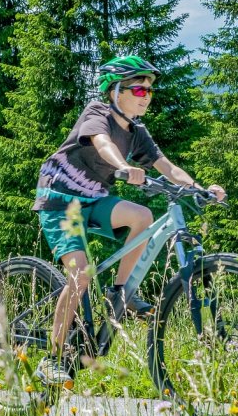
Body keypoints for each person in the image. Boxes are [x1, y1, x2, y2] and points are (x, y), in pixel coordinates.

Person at [30, 56, 225, 386]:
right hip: (60, 201)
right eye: (138, 88)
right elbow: (101, 143)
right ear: (115, 91)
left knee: (143, 216)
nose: (145, 96)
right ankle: (53, 356)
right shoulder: (98, 113)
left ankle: (120, 294)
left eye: (149, 91)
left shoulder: (138, 132)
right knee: (79, 274)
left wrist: (199, 188)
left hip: (94, 199)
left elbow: (167, 167)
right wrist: (123, 166)